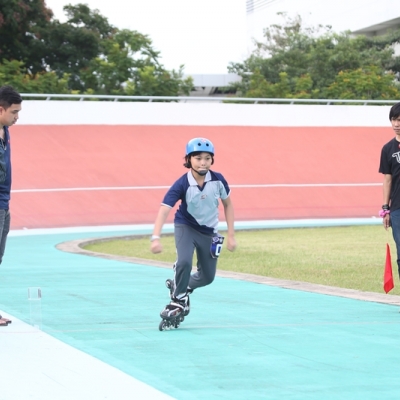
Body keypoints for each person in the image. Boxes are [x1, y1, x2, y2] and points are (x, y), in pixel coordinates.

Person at [150, 137, 236, 322]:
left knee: (208, 277)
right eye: (198, 158)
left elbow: (228, 205)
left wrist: (231, 235)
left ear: (212, 160)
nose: (203, 162)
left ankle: (181, 285)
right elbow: (164, 209)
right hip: (186, 226)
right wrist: (155, 237)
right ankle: (178, 299)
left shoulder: (218, 180)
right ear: (188, 159)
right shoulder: (182, 184)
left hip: (210, 232)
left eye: (207, 158)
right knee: (184, 262)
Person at [0, 86, 22, 326]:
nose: (17, 117)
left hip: (4, 205)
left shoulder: (6, 132)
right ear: (1, 109)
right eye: (14, 112)